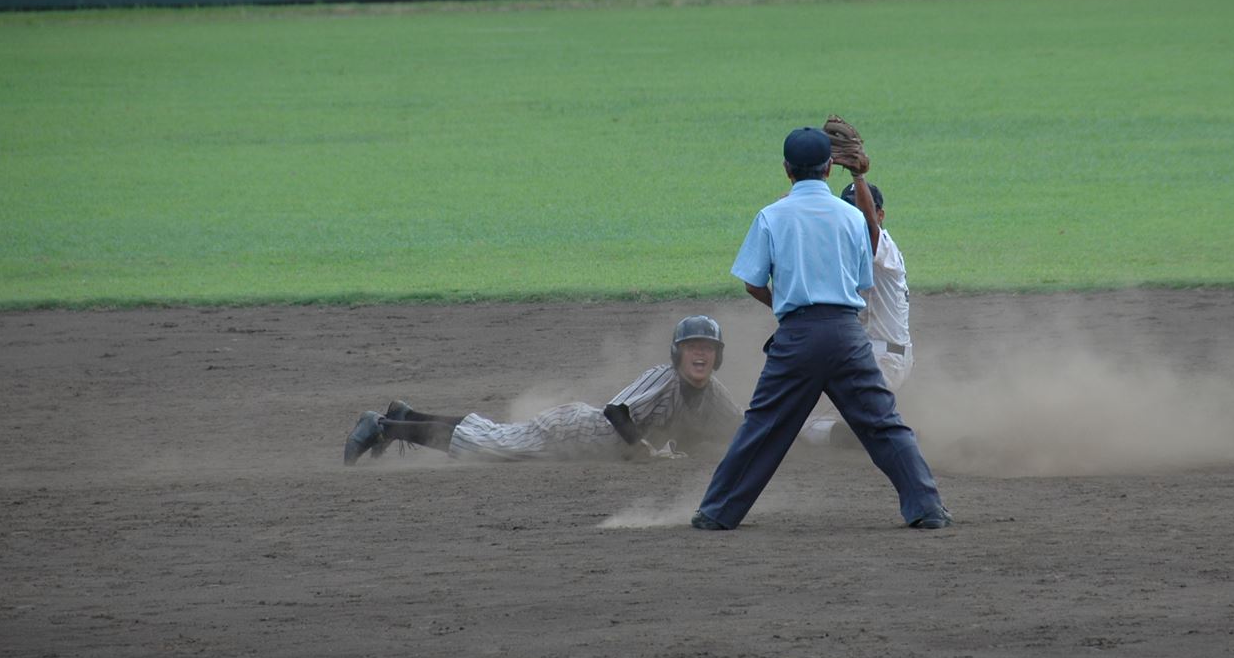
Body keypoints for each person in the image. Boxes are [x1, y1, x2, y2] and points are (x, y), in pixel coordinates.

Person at [691, 127, 952, 531]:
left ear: (786, 169)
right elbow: (862, 281)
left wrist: (785, 307)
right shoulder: (852, 217)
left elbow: (752, 283)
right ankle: (927, 508)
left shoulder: (771, 215)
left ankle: (717, 512)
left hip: (797, 337)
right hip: (848, 337)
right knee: (883, 424)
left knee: (763, 426)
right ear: (829, 168)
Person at [342, 316, 742, 465]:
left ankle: (405, 415)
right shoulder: (665, 378)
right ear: (677, 353)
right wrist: (640, 447)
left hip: (583, 440)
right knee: (484, 447)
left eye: (708, 348)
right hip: (573, 431)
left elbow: (739, 426)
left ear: (717, 356)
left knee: (490, 434)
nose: (700, 354)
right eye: (693, 347)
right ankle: (381, 426)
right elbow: (616, 411)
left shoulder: (713, 392)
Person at [803, 176, 911, 447]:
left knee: (807, 428)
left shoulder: (882, 246)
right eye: (848, 210)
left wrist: (857, 176)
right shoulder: (851, 252)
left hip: (882, 360)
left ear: (880, 215)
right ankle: (875, 427)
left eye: (862, 210)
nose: (854, 217)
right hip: (873, 354)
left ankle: (892, 435)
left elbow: (869, 233)